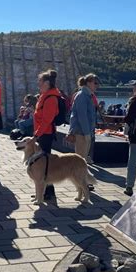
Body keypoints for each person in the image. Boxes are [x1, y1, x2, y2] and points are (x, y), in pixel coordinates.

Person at [33, 69, 61, 199]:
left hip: (45, 134)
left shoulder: (51, 98)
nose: (38, 83)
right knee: (42, 164)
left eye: (40, 80)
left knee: (44, 165)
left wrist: (37, 134)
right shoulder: (44, 95)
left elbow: (47, 120)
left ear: (47, 83)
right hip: (42, 133)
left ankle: (49, 192)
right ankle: (42, 192)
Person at [67, 74, 98, 160]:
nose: (97, 85)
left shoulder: (88, 96)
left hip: (85, 132)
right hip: (82, 133)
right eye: (95, 83)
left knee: (82, 160)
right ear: (88, 83)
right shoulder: (82, 96)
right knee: (80, 161)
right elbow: (82, 116)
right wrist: (87, 133)